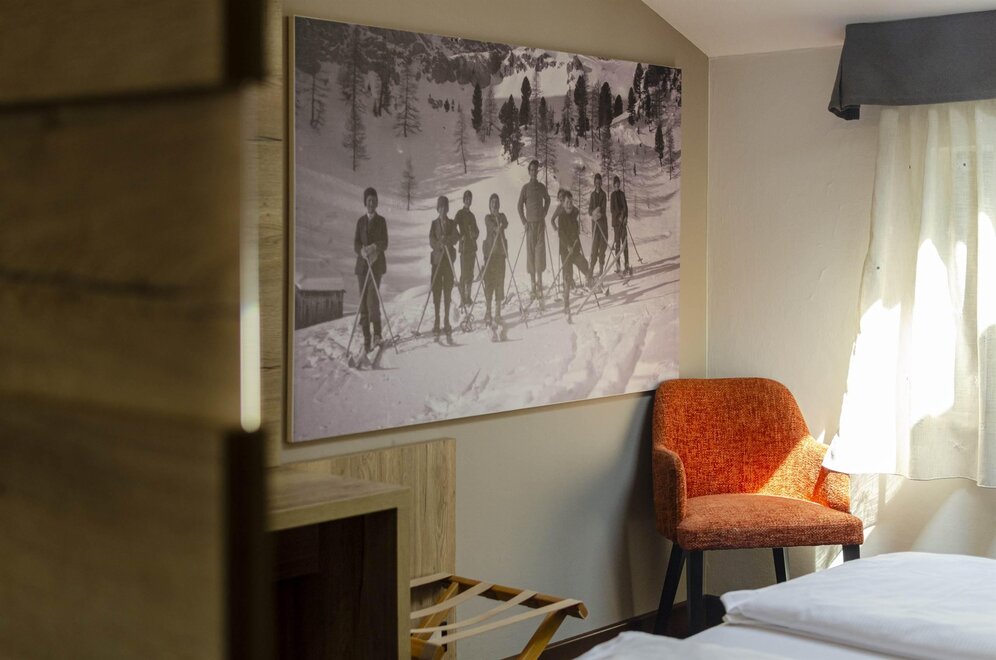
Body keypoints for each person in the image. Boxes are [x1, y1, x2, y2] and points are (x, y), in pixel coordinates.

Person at [353, 186, 388, 353]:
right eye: (369, 201)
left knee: (372, 300)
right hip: (362, 267)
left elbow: (385, 242)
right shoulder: (361, 221)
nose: (371, 203)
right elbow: (356, 242)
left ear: (377, 202)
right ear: (365, 202)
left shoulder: (381, 221)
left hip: (376, 266)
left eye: (374, 200)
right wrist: (361, 251)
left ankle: (377, 334)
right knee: (363, 302)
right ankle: (366, 337)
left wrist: (374, 248)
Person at [551, 190, 591, 321]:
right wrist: (568, 245)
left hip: (574, 249)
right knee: (568, 276)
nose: (569, 204)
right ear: (563, 203)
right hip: (565, 251)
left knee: (584, 264)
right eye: (567, 202)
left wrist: (575, 242)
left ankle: (590, 282)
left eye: (570, 202)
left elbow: (576, 231)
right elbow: (561, 234)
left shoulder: (574, 214)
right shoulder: (562, 216)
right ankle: (566, 302)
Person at [516, 159, 551, 300]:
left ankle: (539, 285)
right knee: (531, 255)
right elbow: (519, 206)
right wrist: (524, 222)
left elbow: (548, 200)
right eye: (531, 170)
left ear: (537, 171)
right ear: (529, 172)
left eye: (535, 170)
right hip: (530, 226)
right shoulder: (525, 188)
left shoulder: (542, 187)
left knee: (539, 254)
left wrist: (544, 212)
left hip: (540, 225)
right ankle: (532, 287)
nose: (534, 172)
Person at [429, 195, 459, 340]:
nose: (442, 210)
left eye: (445, 207)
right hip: (436, 262)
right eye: (440, 207)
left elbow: (456, 237)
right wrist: (439, 244)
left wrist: (448, 240)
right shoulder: (434, 223)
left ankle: (446, 321)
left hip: (448, 262)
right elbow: (431, 240)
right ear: (437, 208)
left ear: (447, 208)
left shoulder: (452, 223)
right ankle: (437, 321)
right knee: (436, 291)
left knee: (447, 291)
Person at [481, 193, 508, 331]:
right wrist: (496, 226)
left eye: (496, 202)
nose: (495, 205)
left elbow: (506, 223)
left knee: (499, 282)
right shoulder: (488, 217)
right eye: (492, 202)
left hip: (500, 254)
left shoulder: (502, 216)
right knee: (489, 283)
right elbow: (490, 225)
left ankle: (497, 313)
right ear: (489, 205)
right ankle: (488, 312)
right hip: (490, 255)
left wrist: (499, 220)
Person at [454, 190, 479, 308]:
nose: (468, 201)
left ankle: (468, 297)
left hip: (472, 247)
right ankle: (462, 299)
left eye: (470, 199)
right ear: (464, 200)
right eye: (467, 199)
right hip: (464, 247)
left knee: (470, 273)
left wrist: (474, 234)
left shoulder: (472, 215)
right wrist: (460, 237)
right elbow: (453, 227)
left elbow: (477, 231)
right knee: (464, 274)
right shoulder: (460, 213)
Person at [588, 173, 608, 276]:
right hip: (595, 225)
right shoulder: (592, 195)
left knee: (602, 246)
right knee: (594, 247)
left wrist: (597, 213)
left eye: (599, 183)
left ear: (601, 183)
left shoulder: (603, 194)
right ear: (594, 183)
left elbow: (603, 210)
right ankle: (591, 269)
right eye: (596, 183)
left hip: (602, 224)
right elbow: (589, 210)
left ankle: (601, 269)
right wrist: (594, 212)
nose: (598, 185)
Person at [610, 175, 631, 275]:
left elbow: (625, 207)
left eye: (618, 185)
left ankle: (626, 264)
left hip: (623, 223)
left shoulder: (622, 194)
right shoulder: (612, 195)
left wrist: (625, 217)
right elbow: (612, 209)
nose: (617, 186)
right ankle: (618, 265)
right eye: (615, 185)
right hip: (616, 223)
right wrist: (619, 216)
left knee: (625, 243)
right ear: (613, 185)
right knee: (617, 244)